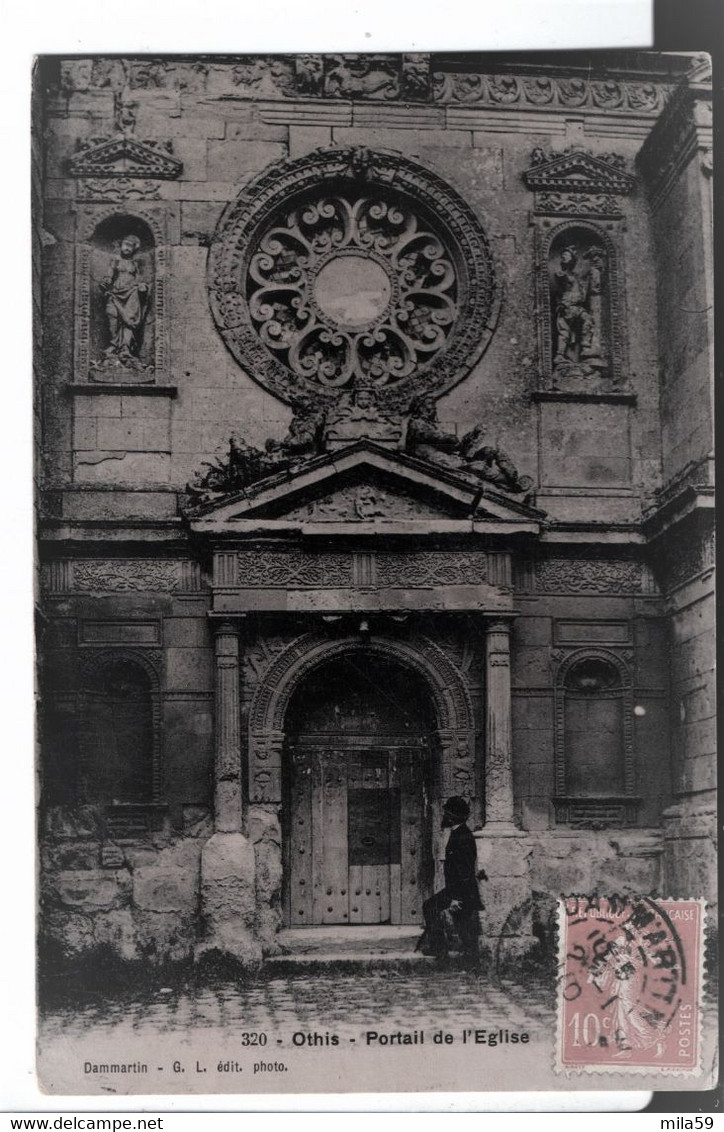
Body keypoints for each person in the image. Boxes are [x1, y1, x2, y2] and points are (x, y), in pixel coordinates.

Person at [418, 795, 485, 963]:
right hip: (459, 890)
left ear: (453, 815)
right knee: (461, 925)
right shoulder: (458, 833)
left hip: (461, 892)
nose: (444, 816)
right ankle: (449, 954)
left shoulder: (462, 836)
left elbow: (464, 870)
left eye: (447, 813)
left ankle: (442, 952)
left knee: (434, 909)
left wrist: (456, 898)